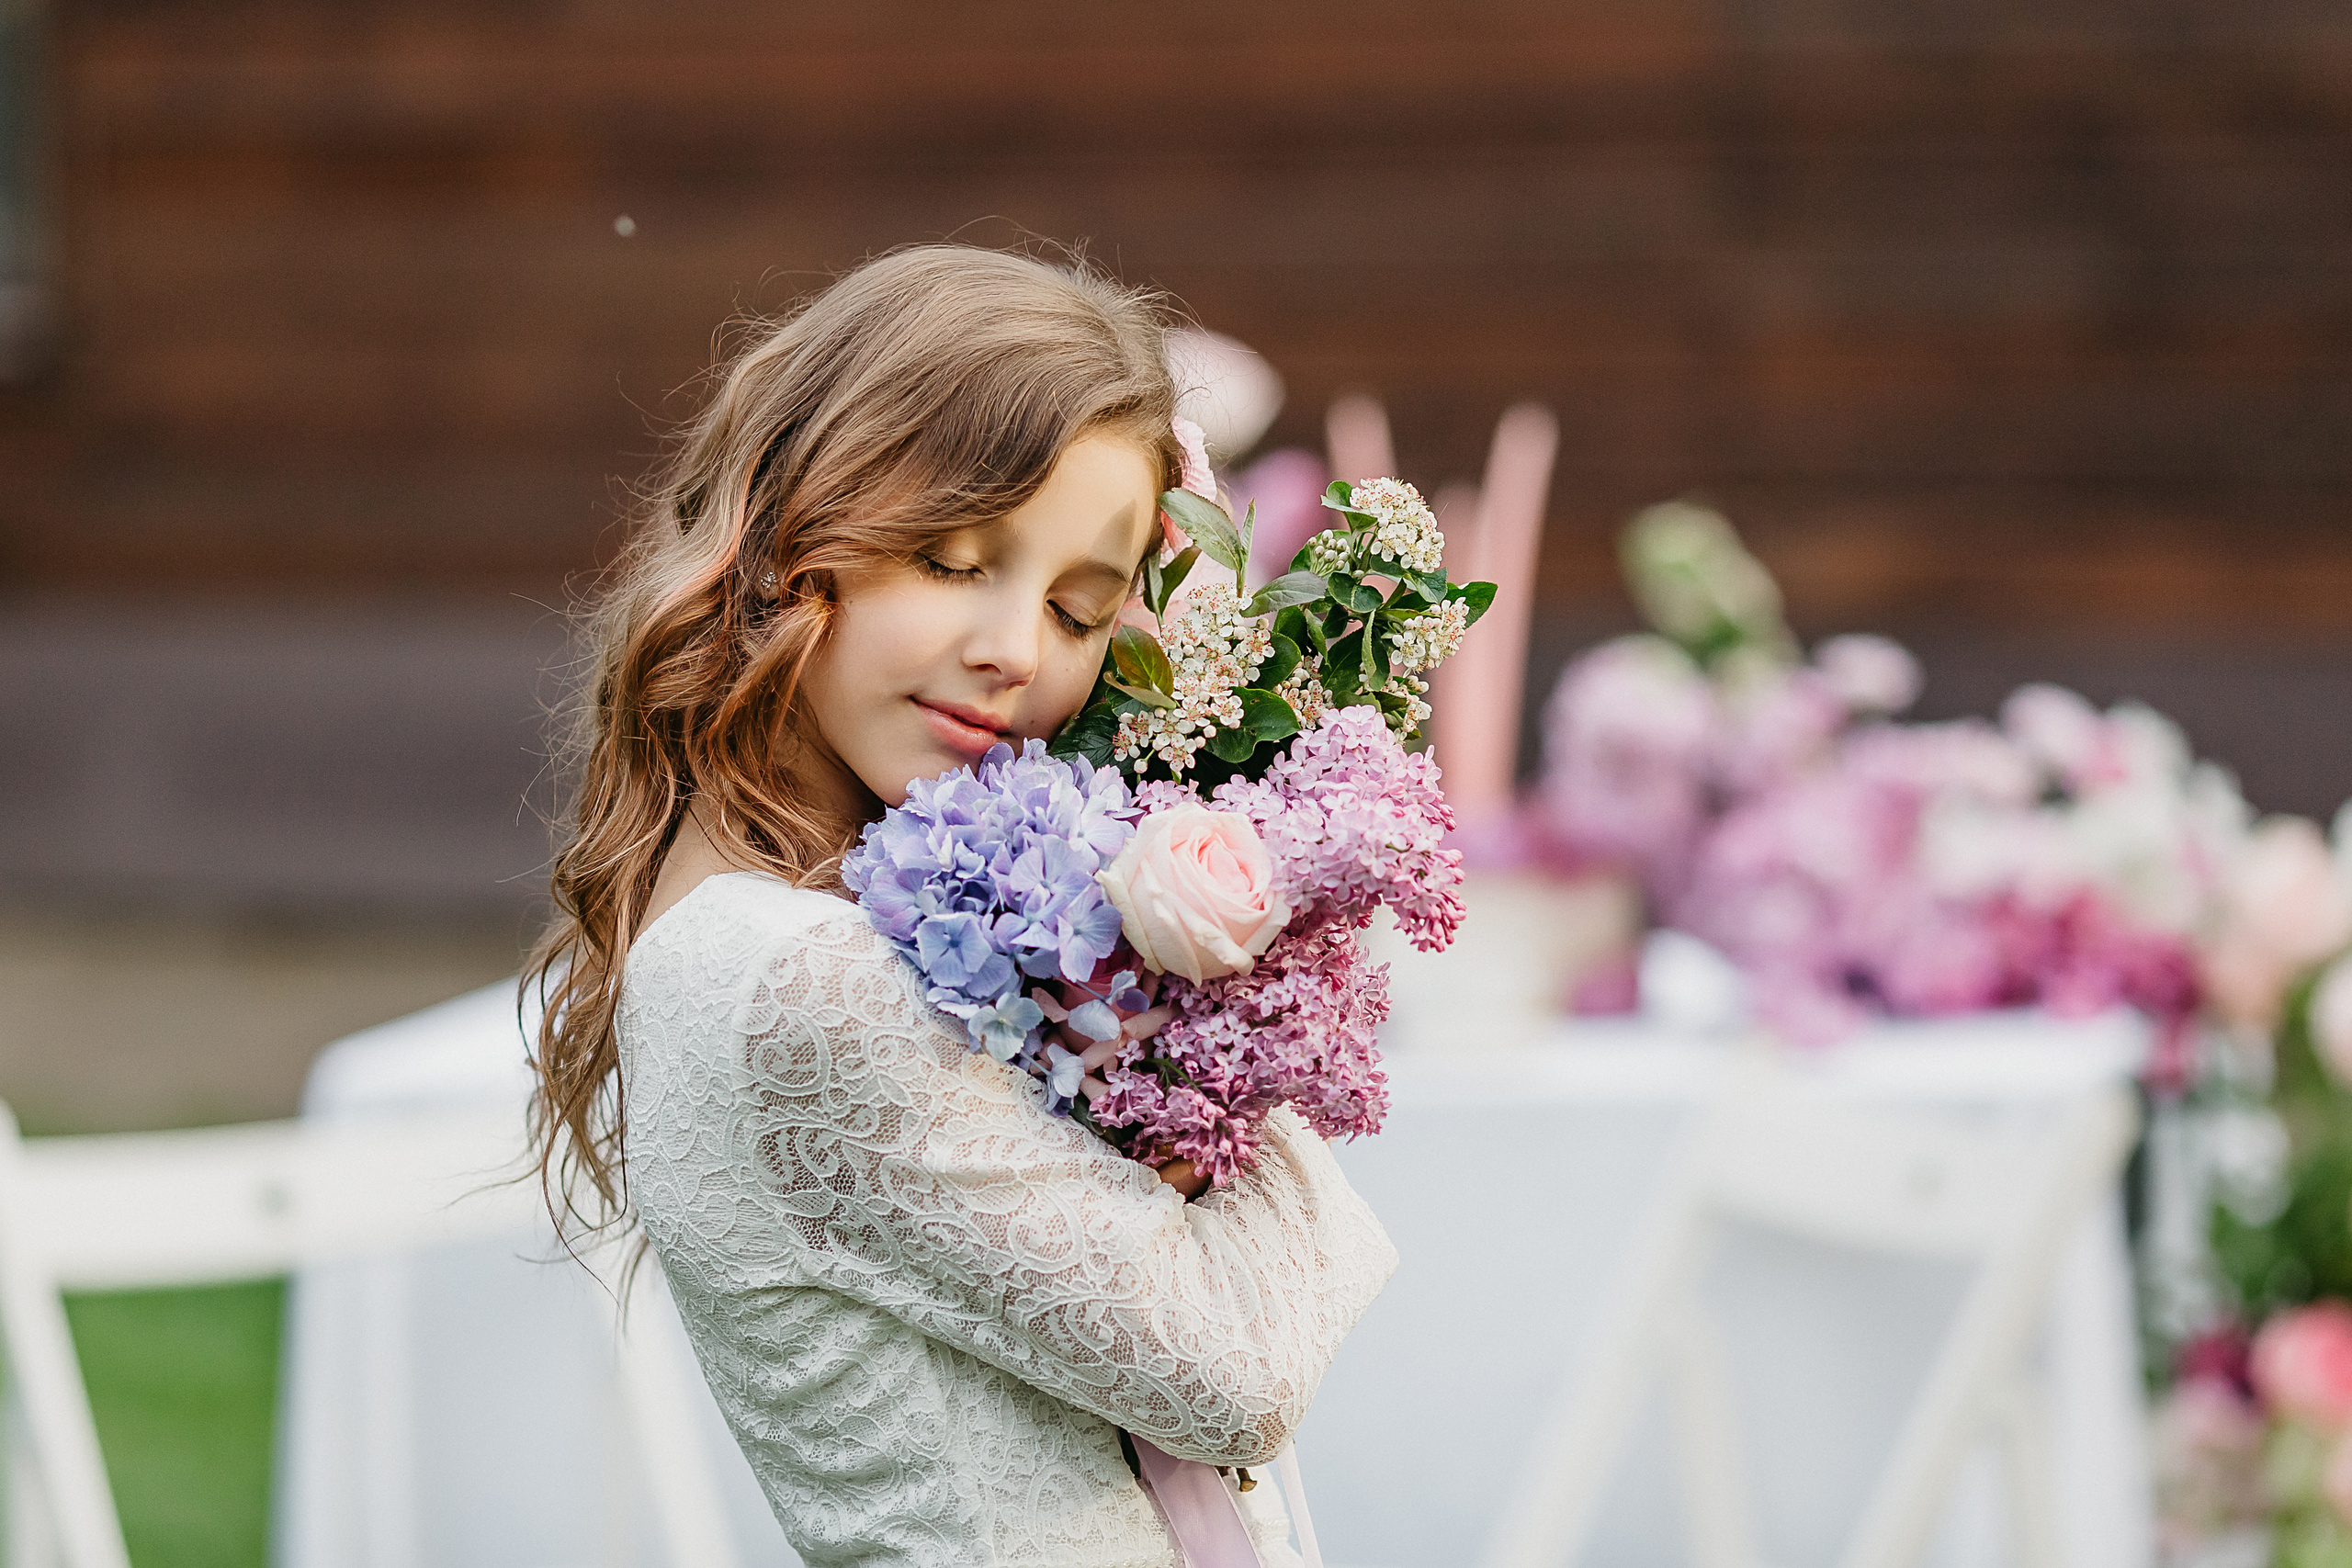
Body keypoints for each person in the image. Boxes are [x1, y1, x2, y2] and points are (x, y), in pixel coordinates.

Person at [526, 244, 1397, 1567]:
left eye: (1078, 606)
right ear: (787, 525)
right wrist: (1259, 1043)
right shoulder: (790, 982)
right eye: (951, 560)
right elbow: (1235, 1371)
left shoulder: (884, 918)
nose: (1016, 652)